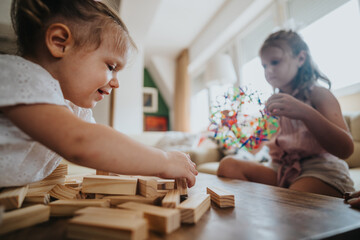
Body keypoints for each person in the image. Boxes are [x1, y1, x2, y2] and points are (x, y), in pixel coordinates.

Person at [0, 0, 197, 188]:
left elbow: (107, 149)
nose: (116, 82)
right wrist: (163, 160)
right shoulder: (20, 75)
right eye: (111, 66)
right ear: (60, 43)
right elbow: (84, 142)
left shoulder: (74, 108)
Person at [217, 30, 354, 198]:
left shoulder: (318, 94)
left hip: (320, 170)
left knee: (293, 199)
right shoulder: (273, 104)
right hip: (280, 170)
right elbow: (254, 148)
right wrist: (233, 127)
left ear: (301, 58)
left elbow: (346, 149)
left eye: (275, 62)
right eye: (264, 65)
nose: (269, 70)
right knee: (228, 165)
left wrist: (304, 111)